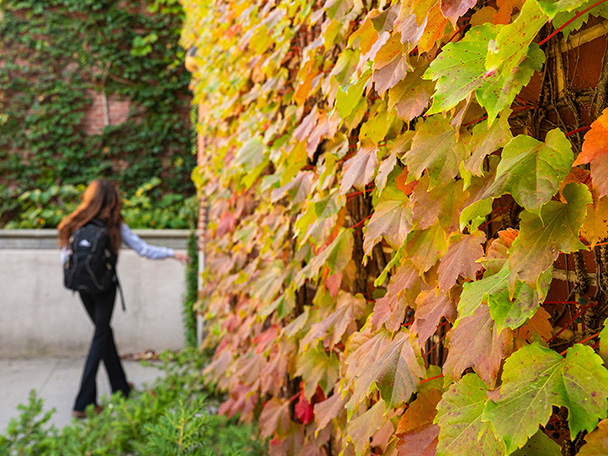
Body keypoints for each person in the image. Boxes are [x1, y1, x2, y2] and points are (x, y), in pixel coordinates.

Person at [58, 179, 188, 418]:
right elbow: (143, 249)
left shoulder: (74, 222)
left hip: (82, 287)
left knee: (103, 333)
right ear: (112, 201)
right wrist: (173, 254)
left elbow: (65, 257)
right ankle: (83, 402)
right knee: (100, 336)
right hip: (104, 287)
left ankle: (120, 386)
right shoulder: (114, 224)